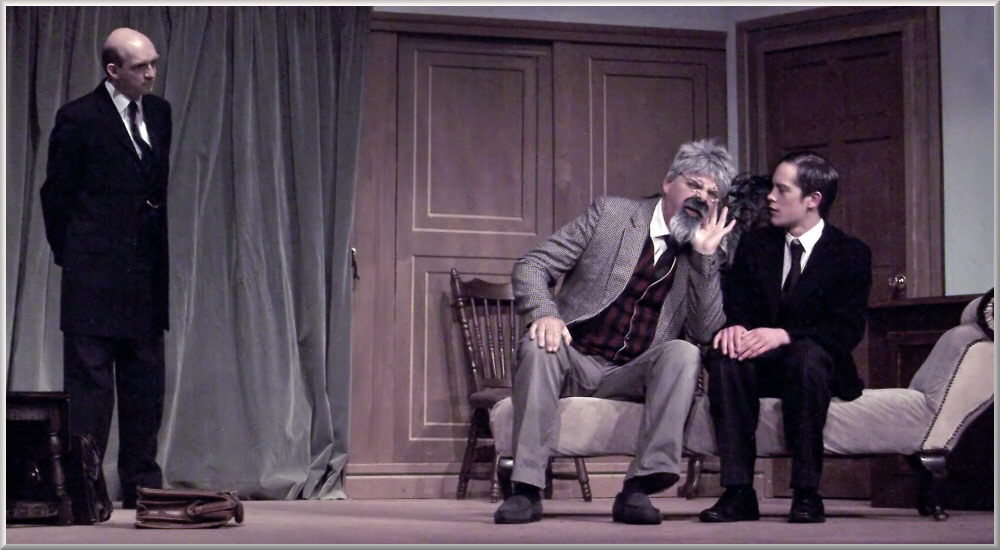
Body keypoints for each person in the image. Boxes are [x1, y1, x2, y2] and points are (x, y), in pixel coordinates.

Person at [495, 139, 737, 525]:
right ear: (668, 183)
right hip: (574, 358)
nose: (701, 198)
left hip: (633, 372)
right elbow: (532, 264)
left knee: (684, 352)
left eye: (712, 194)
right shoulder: (612, 215)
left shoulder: (704, 252)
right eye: (694, 185)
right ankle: (526, 489)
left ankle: (638, 488)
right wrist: (545, 313)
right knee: (538, 344)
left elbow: (706, 330)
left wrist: (705, 259)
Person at [698, 151, 872, 524]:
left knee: (807, 358)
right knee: (725, 357)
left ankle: (807, 492)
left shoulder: (850, 253)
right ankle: (738, 492)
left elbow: (845, 330)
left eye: (782, 190)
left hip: (813, 365)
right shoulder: (756, 244)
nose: (770, 197)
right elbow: (736, 305)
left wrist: (784, 335)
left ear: (813, 199)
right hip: (760, 365)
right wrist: (734, 327)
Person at [40, 27, 171, 509]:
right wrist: (76, 256)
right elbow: (56, 196)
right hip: (93, 277)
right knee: (91, 389)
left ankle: (141, 484)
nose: (151, 73)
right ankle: (85, 488)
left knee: (145, 384)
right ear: (113, 71)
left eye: (154, 63)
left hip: (145, 277)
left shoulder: (159, 113)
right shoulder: (79, 118)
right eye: (140, 66)